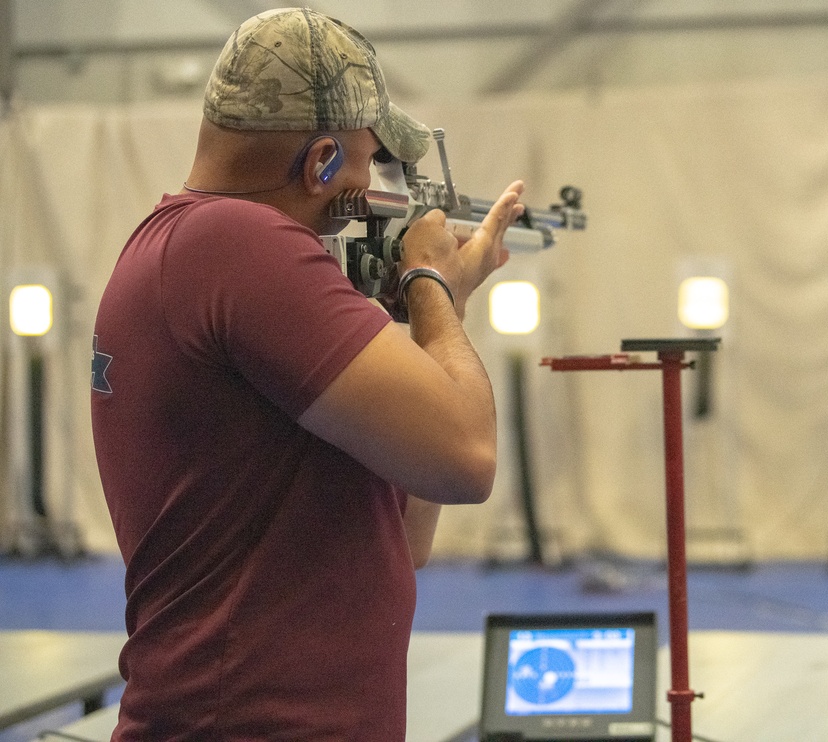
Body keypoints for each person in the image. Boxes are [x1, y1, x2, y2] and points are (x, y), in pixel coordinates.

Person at [90, 7, 525, 740]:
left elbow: (410, 527)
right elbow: (468, 458)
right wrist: (431, 288)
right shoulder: (242, 243)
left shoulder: (188, 244)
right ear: (322, 159)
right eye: (372, 158)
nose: (373, 182)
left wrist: (445, 302)